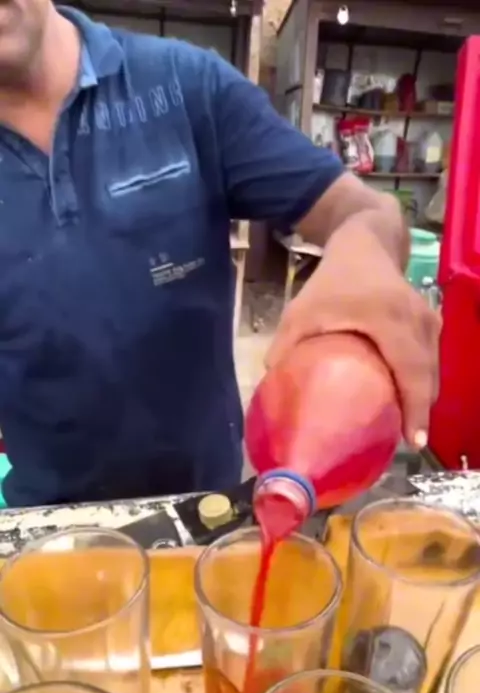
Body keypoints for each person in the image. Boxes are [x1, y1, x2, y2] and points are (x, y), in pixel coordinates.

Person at [0, 1, 440, 507]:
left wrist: (365, 255)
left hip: (210, 504)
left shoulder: (183, 86)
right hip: (46, 524)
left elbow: (361, 209)